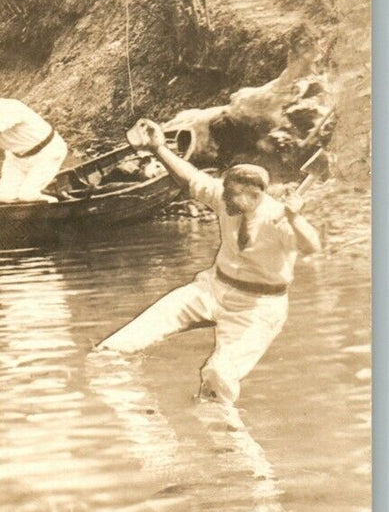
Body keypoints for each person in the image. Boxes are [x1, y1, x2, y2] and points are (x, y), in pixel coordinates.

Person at [95, 119, 321, 405]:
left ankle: (228, 438)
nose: (223, 201)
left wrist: (295, 218)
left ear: (255, 196)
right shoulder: (226, 196)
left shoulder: (279, 220)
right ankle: (130, 415)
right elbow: (191, 179)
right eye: (224, 193)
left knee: (218, 376)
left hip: (258, 308)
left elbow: (312, 247)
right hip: (212, 288)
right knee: (116, 347)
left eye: (231, 198)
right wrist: (158, 148)